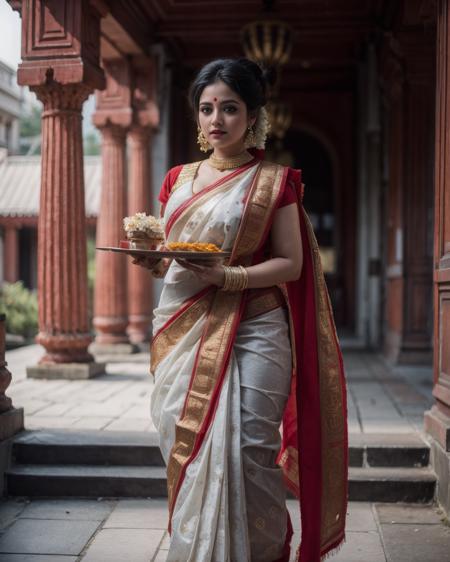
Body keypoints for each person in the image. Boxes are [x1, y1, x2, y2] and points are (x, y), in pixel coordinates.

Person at [132, 58, 348, 562]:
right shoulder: (177, 181)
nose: (216, 119)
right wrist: (153, 261)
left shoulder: (276, 182)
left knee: (250, 448)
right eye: (207, 109)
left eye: (229, 108)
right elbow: (176, 263)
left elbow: (291, 263)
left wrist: (230, 277)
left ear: (253, 115)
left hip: (257, 324)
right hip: (186, 325)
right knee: (193, 444)